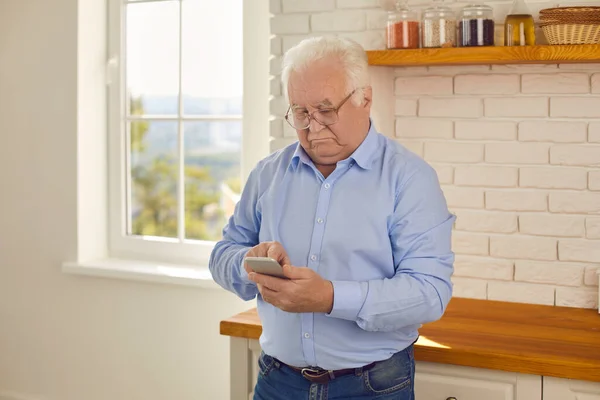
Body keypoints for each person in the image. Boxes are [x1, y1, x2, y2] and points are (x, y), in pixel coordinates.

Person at [209, 36, 455, 400]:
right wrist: (249, 263)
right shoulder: (267, 174)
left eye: (326, 110)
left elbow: (430, 292)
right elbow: (221, 254)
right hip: (277, 381)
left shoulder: (409, 178)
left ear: (365, 99)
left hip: (373, 386)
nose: (313, 127)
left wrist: (329, 297)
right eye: (300, 112)